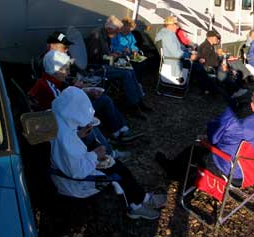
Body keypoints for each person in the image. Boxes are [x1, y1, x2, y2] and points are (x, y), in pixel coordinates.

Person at [50, 86, 167, 220]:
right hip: (74, 182)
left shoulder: (58, 118)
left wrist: (79, 135)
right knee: (119, 171)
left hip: (67, 167)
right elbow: (77, 171)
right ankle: (137, 206)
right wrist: (95, 154)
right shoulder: (66, 140)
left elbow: (68, 151)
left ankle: (140, 199)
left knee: (115, 164)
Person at [85, 15, 151, 115]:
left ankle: (139, 101)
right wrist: (110, 56)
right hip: (99, 68)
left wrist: (112, 55)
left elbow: (105, 52)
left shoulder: (105, 33)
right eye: (116, 31)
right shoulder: (97, 36)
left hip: (107, 63)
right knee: (126, 74)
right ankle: (133, 106)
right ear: (109, 28)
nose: (117, 34)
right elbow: (94, 57)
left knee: (130, 70)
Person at [196, 30, 248, 98]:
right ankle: (234, 91)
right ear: (210, 37)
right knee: (226, 72)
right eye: (216, 37)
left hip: (211, 66)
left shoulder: (208, 45)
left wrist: (220, 60)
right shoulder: (206, 46)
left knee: (231, 69)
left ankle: (237, 88)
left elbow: (211, 59)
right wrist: (220, 60)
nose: (217, 39)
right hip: (209, 68)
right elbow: (207, 61)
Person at [155, 16, 186, 83]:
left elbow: (178, 47)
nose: (178, 27)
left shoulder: (167, 33)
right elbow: (176, 53)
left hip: (172, 59)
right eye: (176, 25)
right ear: (170, 25)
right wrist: (189, 55)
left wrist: (187, 50)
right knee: (198, 67)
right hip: (173, 62)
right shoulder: (168, 35)